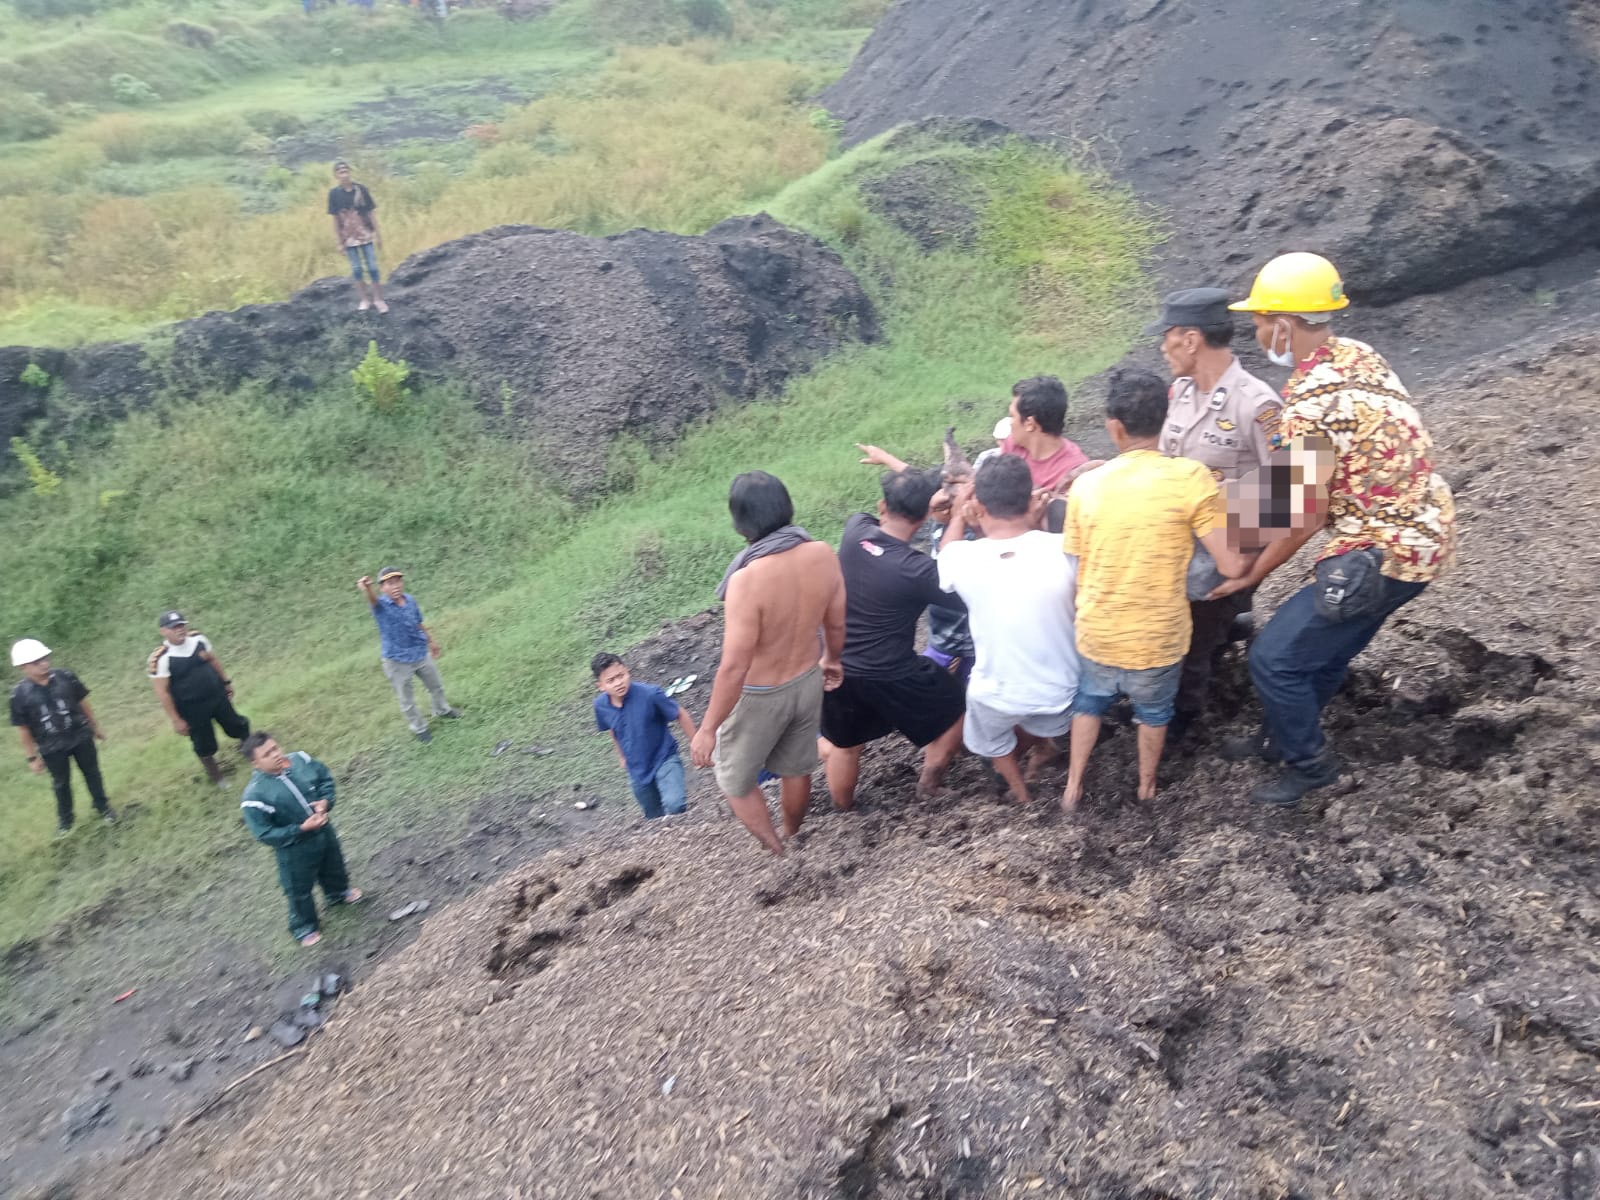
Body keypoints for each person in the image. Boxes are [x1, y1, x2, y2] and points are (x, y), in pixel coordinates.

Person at [1220, 252, 1456, 805]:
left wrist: (1249, 574)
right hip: (1426, 533)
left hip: (1384, 551)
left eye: (1259, 320)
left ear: (1284, 323)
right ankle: (1283, 736)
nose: (1255, 331)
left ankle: (1309, 766)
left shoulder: (1308, 404)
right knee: (1318, 651)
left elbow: (1300, 515)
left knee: (1273, 658)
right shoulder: (1360, 356)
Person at [1061, 369, 1250, 810]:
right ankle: (1146, 787)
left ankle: (1072, 786)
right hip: (1159, 639)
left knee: (1088, 703)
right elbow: (1230, 563)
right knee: (1153, 712)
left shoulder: (1086, 485)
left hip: (1098, 630)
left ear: (1114, 427)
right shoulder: (1192, 478)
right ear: (1165, 421)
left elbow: (1077, 562)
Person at [1146, 288, 1284, 738]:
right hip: (1174, 549)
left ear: (1190, 340)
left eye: (1166, 337)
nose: (1161, 347)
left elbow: (1290, 496)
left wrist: (1246, 569)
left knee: (1191, 651)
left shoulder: (1259, 404)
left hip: (1221, 558)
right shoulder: (1179, 393)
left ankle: (1183, 731)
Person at [689, 472, 846, 855]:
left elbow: (734, 667)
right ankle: (793, 833)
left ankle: (777, 851)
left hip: (760, 695)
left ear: (740, 523)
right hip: (808, 678)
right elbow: (837, 621)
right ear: (786, 507)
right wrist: (833, 659)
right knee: (796, 767)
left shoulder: (747, 580)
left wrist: (707, 728)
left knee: (734, 780)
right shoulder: (823, 553)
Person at [819, 467, 967, 810]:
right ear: (926, 514)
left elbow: (872, 523)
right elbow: (958, 583)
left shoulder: (855, 531)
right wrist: (957, 517)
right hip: (892, 673)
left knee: (844, 744)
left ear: (882, 505)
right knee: (958, 708)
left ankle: (843, 808)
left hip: (836, 666)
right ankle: (928, 785)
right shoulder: (918, 570)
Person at [937, 455, 1079, 806]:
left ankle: (1021, 796)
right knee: (1043, 719)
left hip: (996, 694)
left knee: (989, 735)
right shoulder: (1064, 550)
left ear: (979, 506)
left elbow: (946, 552)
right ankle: (1051, 755)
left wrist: (958, 514)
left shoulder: (963, 559)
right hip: (1064, 694)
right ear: (1030, 501)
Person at [239, 732, 363, 947]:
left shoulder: (300, 760)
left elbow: (325, 778)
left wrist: (325, 802)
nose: (276, 754)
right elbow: (264, 833)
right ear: (255, 763)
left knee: (333, 863)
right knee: (298, 888)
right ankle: (303, 926)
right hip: (294, 849)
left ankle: (337, 893)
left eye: (276, 748)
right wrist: (299, 829)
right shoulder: (254, 798)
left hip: (323, 830)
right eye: (268, 754)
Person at [10, 639, 116, 837]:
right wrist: (32, 757)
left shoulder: (65, 677)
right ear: (23, 666)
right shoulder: (19, 695)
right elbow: (23, 729)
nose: (43, 663)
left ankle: (103, 807)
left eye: (44, 658)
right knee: (61, 783)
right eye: (36, 661)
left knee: (92, 772)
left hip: (80, 735)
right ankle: (66, 821)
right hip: (51, 746)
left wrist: (94, 727)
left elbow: (83, 702)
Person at [148, 611, 251, 787]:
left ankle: (250, 749)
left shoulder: (198, 640)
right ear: (163, 631)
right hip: (191, 708)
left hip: (217, 696)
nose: (179, 630)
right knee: (204, 743)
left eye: (181, 625)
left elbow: (213, 660)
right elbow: (162, 692)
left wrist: (225, 682)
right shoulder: (161, 658)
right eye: (174, 628)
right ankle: (217, 777)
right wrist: (176, 720)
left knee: (236, 724)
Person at [357, 567, 461, 743]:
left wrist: (431, 641)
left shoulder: (410, 600)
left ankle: (443, 710)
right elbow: (372, 601)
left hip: (419, 652)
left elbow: (419, 623)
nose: (395, 586)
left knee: (436, 686)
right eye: (390, 583)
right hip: (397, 660)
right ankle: (419, 728)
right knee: (406, 699)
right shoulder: (381, 605)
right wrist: (367, 589)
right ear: (382, 587)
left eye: (398, 581)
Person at [592, 652, 698, 819]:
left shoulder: (650, 694)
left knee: (675, 804)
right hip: (637, 768)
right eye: (611, 681)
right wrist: (621, 756)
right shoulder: (600, 706)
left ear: (627, 671)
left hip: (664, 758)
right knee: (652, 815)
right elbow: (613, 731)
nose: (619, 683)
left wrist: (696, 744)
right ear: (601, 686)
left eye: (621, 676)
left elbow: (680, 714)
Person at [999, 376, 1090, 494]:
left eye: (1012, 416)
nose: (1010, 422)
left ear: (1030, 424)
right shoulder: (1012, 446)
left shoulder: (1074, 473)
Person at [328, 161, 387, 313]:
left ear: (350, 172)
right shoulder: (334, 195)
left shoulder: (361, 190)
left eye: (346, 171)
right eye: (341, 172)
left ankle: (378, 299)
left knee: (373, 267)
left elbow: (371, 213)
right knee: (357, 269)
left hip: (366, 234)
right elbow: (335, 219)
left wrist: (379, 236)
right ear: (336, 175)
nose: (344, 174)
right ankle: (364, 299)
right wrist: (339, 242)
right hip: (349, 237)